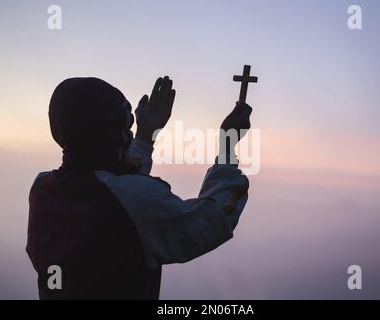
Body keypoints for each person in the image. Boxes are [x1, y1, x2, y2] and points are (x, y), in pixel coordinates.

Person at [26, 76, 252, 299]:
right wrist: (228, 147)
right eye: (125, 127)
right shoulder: (137, 200)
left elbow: (113, 188)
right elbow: (213, 218)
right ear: (108, 133)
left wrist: (145, 134)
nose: (129, 134)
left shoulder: (42, 190)